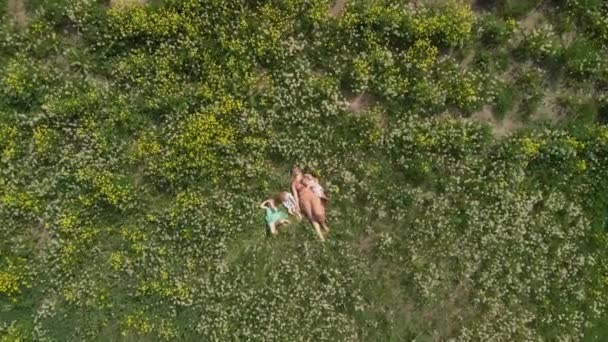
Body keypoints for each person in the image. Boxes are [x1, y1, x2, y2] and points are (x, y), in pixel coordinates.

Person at [291, 166, 329, 241]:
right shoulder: (293, 183)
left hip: (312, 195)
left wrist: (309, 180)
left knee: (318, 212)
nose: (296, 171)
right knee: (311, 216)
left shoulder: (305, 176)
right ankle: (320, 235)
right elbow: (295, 195)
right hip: (303, 199)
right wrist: (297, 205)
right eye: (294, 170)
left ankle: (323, 225)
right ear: (292, 173)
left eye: (297, 169)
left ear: (299, 170)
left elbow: (315, 181)